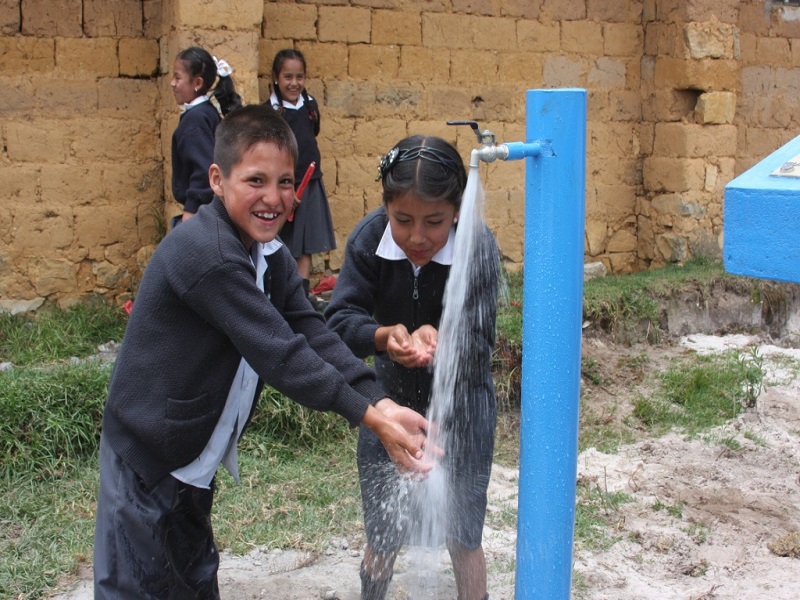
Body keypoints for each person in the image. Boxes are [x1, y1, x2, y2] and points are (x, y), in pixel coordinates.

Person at [93, 105, 435, 599]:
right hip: (148, 457)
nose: (273, 198)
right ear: (217, 179)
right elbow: (279, 353)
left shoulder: (267, 253)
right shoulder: (208, 253)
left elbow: (307, 329)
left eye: (285, 182)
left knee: (190, 579)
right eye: (256, 180)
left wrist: (379, 401)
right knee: (138, 587)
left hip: (190, 457)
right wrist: (368, 417)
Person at [325, 135, 499, 600]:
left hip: (464, 409)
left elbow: (481, 341)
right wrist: (383, 337)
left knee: (464, 535)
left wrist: (446, 345)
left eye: (434, 222)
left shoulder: (477, 247)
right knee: (383, 531)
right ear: (385, 207)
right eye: (402, 220)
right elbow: (339, 322)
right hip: (389, 405)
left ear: (458, 209)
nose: (417, 237)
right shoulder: (368, 240)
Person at [269, 48, 335, 309]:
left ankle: (301, 294)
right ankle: (280, 291)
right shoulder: (273, 112)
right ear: (276, 77)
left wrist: (304, 186)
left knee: (305, 241)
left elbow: (312, 135)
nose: (294, 83)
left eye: (299, 77)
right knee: (282, 239)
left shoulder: (310, 106)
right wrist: (286, 188)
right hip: (285, 184)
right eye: (287, 77)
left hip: (310, 182)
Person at [170, 46, 242, 228]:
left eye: (178, 78)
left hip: (202, 211)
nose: (172, 83)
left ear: (197, 83)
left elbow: (203, 170)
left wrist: (190, 213)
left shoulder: (195, 119)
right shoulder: (205, 113)